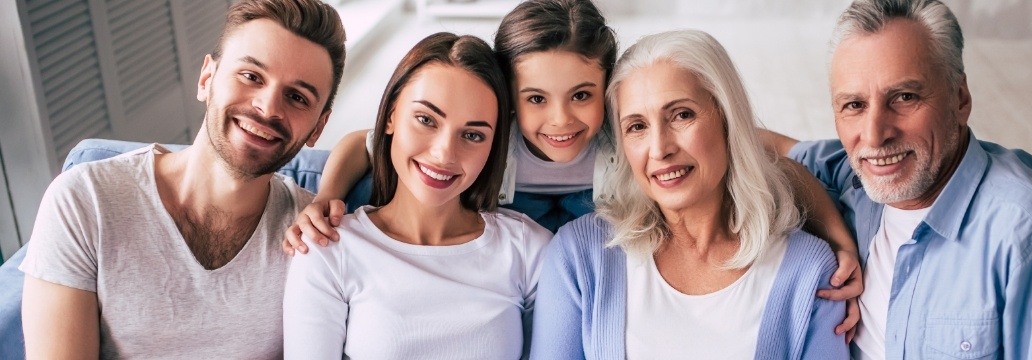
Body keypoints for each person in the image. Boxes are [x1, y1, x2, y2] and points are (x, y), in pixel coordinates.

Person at [285, 0, 866, 335]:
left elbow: (776, 154)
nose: (561, 121)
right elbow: (363, 141)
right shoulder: (484, 139)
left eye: (582, 95)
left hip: (599, 242)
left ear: (607, 91)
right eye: (535, 99)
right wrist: (323, 195)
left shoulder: (629, 133)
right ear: (507, 97)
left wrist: (838, 233)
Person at [764, 0, 1032, 358]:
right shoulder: (854, 177)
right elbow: (742, 143)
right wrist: (838, 235)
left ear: (960, 99)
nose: (874, 134)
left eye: (904, 98)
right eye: (854, 105)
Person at [18, 0, 345, 357]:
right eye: (251, 76)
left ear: (319, 127)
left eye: (297, 97)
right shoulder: (85, 200)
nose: (268, 107)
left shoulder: (312, 238)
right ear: (207, 79)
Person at [530, 29, 848, 359]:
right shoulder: (580, 256)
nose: (660, 149)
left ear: (728, 119)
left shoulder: (808, 269)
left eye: (682, 114)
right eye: (637, 126)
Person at [281, 32, 551, 359]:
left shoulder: (529, 251)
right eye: (426, 119)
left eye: (473, 135)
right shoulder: (328, 249)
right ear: (392, 115)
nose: (444, 153)